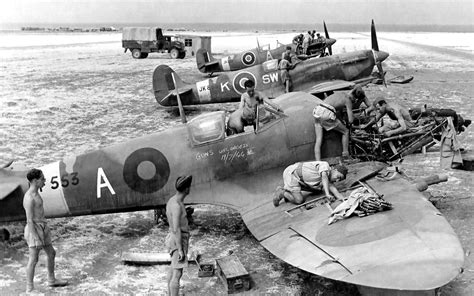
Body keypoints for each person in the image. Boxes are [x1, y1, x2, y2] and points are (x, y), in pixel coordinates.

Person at [23, 168, 68, 293]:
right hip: (34, 229)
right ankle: (29, 289)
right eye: (42, 179)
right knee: (33, 259)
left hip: (43, 226)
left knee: (51, 253)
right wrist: (36, 237)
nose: (45, 181)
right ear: (35, 181)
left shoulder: (37, 193)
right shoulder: (29, 198)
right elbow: (29, 220)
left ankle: (51, 280)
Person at [313, 86, 368, 161]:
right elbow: (351, 120)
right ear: (356, 98)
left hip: (317, 110)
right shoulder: (348, 100)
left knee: (318, 140)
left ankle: (318, 162)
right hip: (326, 113)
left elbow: (337, 109)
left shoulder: (340, 94)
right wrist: (356, 116)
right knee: (345, 131)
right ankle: (346, 156)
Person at [273, 161, 348, 207]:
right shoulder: (325, 165)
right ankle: (282, 192)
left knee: (319, 189)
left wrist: (345, 201)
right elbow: (324, 177)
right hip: (292, 174)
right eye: (338, 176)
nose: (337, 180)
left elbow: (335, 192)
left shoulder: (328, 180)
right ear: (334, 169)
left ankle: (290, 192)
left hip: (301, 180)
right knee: (299, 200)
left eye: (339, 180)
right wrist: (327, 194)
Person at [166, 175, 193, 296]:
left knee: (172, 269)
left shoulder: (172, 200)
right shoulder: (177, 205)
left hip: (172, 237)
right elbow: (176, 229)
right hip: (178, 240)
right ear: (186, 189)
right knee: (177, 274)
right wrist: (181, 249)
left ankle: (170, 294)